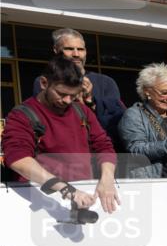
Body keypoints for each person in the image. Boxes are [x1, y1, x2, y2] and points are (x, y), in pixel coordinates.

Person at [4, 55, 118, 213]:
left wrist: (107, 178)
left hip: (85, 195)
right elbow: (18, 159)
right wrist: (66, 189)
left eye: (73, 95)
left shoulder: (82, 110)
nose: (67, 100)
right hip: (40, 198)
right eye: (61, 93)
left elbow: (103, 146)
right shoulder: (22, 115)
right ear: (44, 83)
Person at [32, 28, 126, 143]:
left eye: (80, 49)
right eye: (69, 49)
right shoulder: (45, 82)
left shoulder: (106, 82)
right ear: (56, 50)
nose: (76, 54)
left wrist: (91, 102)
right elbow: (44, 119)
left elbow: (117, 123)